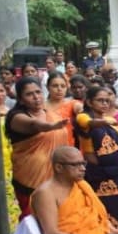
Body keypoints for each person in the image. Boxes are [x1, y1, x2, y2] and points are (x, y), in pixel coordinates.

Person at [7, 77, 71, 217]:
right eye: (29, 94)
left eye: (38, 92)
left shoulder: (51, 114)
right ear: (21, 99)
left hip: (56, 178)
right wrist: (51, 127)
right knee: (33, 222)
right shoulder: (16, 117)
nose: (36, 97)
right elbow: (34, 125)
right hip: (30, 180)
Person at [75, 84, 118, 232]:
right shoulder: (84, 117)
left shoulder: (111, 122)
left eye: (107, 101)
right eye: (100, 100)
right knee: (103, 212)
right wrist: (105, 121)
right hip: (99, 175)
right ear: (89, 102)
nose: (105, 104)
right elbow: (88, 124)